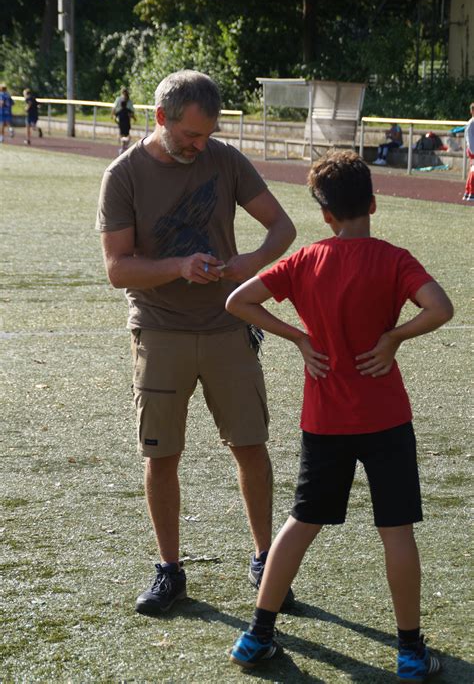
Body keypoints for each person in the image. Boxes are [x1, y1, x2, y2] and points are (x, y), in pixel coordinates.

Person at [227, 150, 453, 680]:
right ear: (373, 202)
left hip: (325, 418)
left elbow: (238, 300)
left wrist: (299, 338)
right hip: (386, 416)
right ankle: (411, 652)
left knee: (301, 522)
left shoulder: (306, 260)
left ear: (325, 213)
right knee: (396, 531)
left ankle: (257, 635)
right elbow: (441, 308)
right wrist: (395, 337)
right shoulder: (394, 259)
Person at [96, 70, 296, 616]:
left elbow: (281, 227)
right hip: (160, 331)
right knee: (161, 457)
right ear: (160, 118)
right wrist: (179, 266)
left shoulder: (226, 159)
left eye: (207, 135)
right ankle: (169, 570)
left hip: (229, 325)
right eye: (190, 135)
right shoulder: (124, 176)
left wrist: (248, 266)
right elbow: (118, 269)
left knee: (250, 445)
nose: (199, 146)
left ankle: (264, 560)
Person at [462, 102, 474, 202]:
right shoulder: (471, 123)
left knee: (472, 171)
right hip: (473, 151)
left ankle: (468, 192)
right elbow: (470, 140)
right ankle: (471, 193)